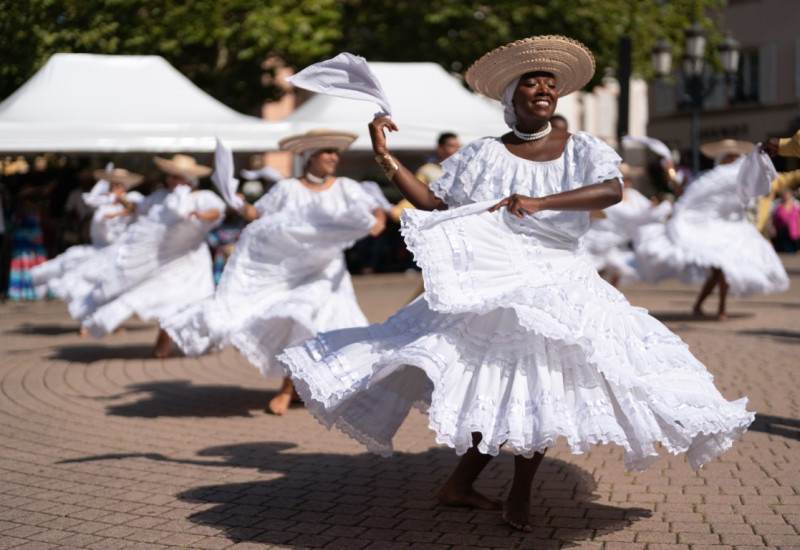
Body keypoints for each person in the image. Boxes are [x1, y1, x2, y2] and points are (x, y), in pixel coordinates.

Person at [278, 36, 755, 533]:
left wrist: (543, 202)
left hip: (561, 280)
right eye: (532, 81)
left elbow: (612, 190)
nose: (544, 88)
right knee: (508, 389)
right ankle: (462, 485)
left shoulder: (582, 147)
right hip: (498, 282)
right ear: (511, 95)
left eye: (550, 82)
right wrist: (385, 157)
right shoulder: (482, 154)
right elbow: (438, 206)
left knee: (542, 387)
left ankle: (516, 491)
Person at [162, 129, 387, 415]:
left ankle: (294, 389)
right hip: (288, 272)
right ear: (310, 156)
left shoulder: (345, 187)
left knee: (315, 321)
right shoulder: (287, 189)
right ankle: (291, 388)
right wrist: (238, 203)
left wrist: (377, 222)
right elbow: (257, 214)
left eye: (335, 151)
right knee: (297, 321)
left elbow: (375, 208)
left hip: (327, 272)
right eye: (327, 151)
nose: (334, 157)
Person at [67, 154, 225, 357]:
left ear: (187, 178)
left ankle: (173, 343)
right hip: (161, 256)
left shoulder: (200, 197)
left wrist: (198, 214)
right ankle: (164, 342)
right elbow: (138, 208)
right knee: (162, 295)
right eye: (170, 176)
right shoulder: (160, 196)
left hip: (191, 258)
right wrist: (120, 199)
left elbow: (216, 212)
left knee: (188, 299)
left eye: (176, 177)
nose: (171, 180)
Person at [634, 139, 789, 320]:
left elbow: (754, 191)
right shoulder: (710, 178)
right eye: (727, 157)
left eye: (734, 157)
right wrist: (670, 173)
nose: (731, 160)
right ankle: (716, 308)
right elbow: (687, 196)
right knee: (720, 269)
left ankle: (706, 306)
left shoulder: (739, 176)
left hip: (732, 228)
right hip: (710, 228)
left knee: (720, 270)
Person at [31, 166, 145, 329]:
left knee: (118, 287)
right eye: (112, 185)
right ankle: (88, 322)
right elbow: (95, 214)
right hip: (103, 249)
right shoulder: (105, 202)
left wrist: (118, 210)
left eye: (118, 185)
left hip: (123, 251)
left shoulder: (133, 198)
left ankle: (113, 321)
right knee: (88, 283)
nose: (115, 188)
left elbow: (138, 209)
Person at [584, 162, 672, 286]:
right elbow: (635, 216)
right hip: (596, 242)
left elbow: (647, 212)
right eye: (625, 178)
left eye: (629, 178)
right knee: (594, 273)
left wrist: (658, 207)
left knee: (618, 270)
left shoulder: (633, 196)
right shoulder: (607, 196)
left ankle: (610, 300)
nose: (628, 181)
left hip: (616, 245)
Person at [388, 132, 460, 223]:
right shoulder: (426, 170)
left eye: (458, 146)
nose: (457, 149)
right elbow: (415, 194)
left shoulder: (466, 169)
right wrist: (398, 211)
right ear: (440, 149)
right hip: (440, 221)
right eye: (452, 146)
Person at [770, 188, 800, 252]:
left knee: (795, 251)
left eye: (788, 196)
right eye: (785, 196)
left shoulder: (796, 206)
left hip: (794, 233)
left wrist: (799, 229)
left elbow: (798, 219)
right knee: (784, 251)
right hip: (782, 233)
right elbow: (774, 220)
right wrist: (773, 229)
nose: (787, 198)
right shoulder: (778, 207)